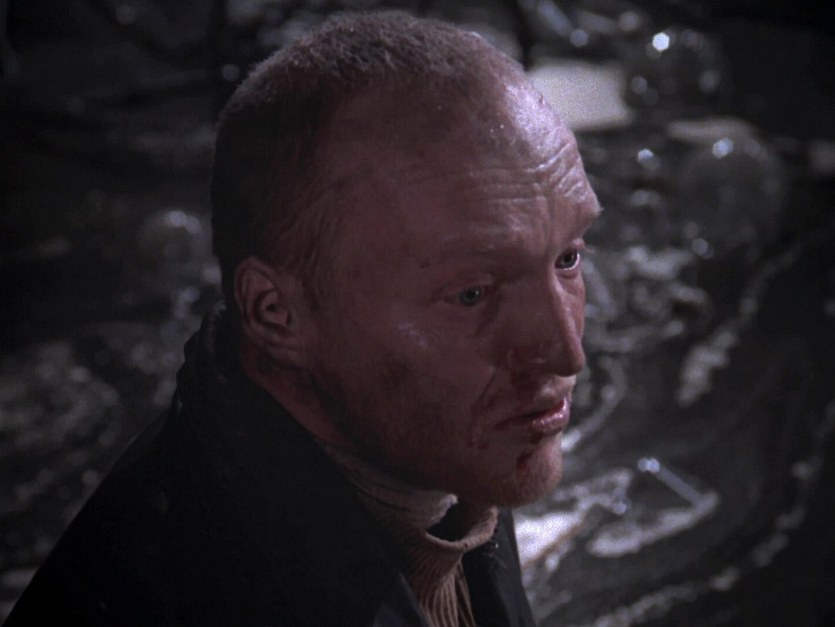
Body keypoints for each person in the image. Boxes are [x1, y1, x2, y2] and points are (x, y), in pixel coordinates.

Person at [6, 11, 600, 627]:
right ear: (275, 314)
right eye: (472, 294)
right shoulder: (194, 591)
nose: (566, 351)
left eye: (567, 258)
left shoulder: (435, 446)